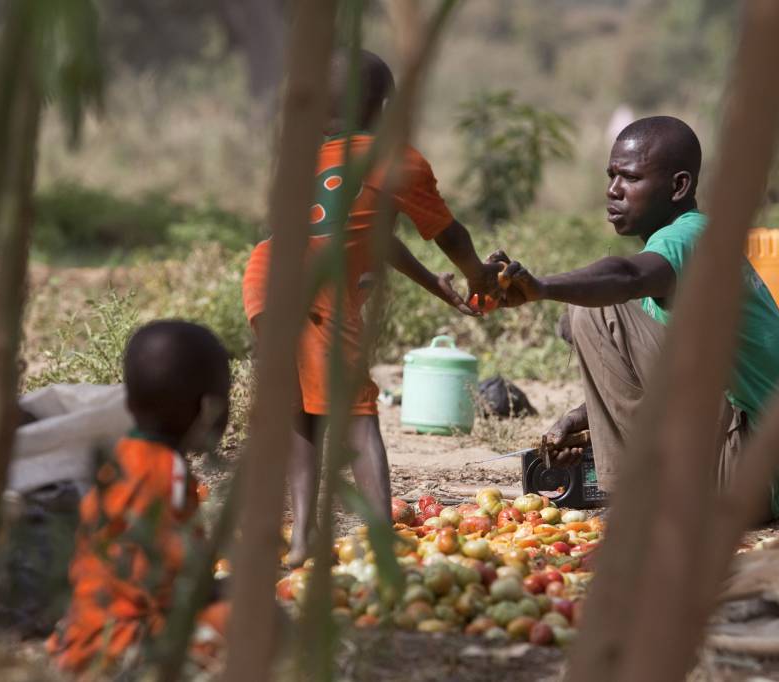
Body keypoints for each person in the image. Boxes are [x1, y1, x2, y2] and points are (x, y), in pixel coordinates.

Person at [241, 49, 500, 565]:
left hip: (265, 279)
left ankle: (303, 538)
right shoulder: (395, 159)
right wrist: (477, 276)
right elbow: (450, 233)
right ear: (384, 108)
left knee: (301, 409)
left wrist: (435, 286)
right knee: (358, 416)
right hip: (320, 289)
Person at [492, 116, 779, 520]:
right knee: (593, 312)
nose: (612, 190)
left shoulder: (691, 236)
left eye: (630, 178)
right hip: (759, 473)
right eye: (611, 175)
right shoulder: (678, 262)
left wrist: (542, 287)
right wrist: (583, 416)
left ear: (679, 186)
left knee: (595, 308)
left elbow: (626, 277)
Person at [47, 320, 232, 675]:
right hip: (125, 647)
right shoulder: (167, 474)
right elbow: (176, 583)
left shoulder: (119, 460)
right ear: (209, 409)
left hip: (81, 633)